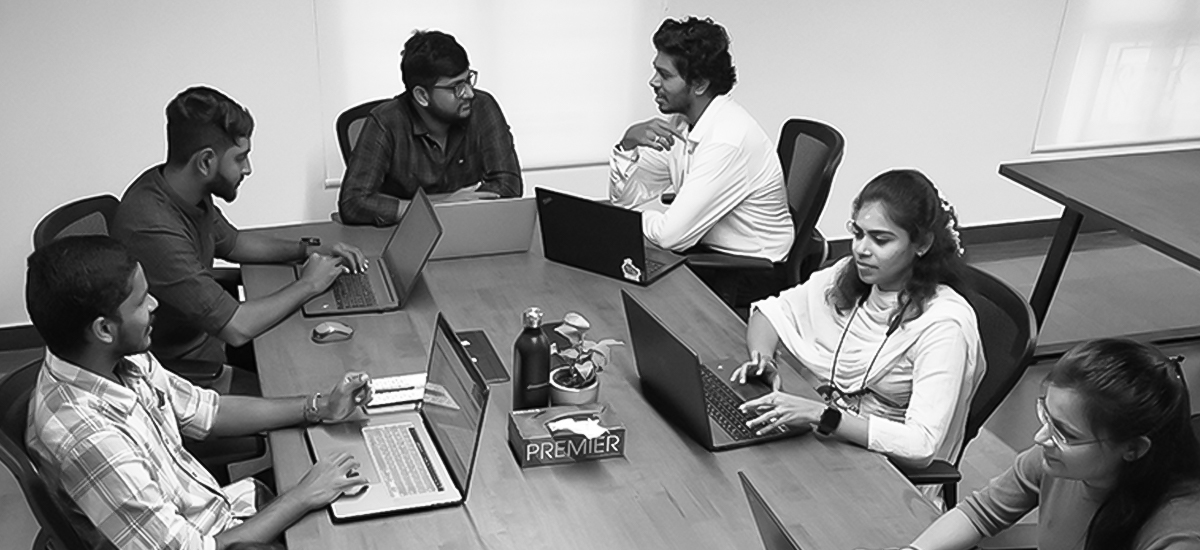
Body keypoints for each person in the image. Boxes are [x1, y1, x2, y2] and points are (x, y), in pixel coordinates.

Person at [24, 235, 374, 550]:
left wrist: (320, 407)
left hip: (219, 513)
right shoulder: (89, 438)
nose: (154, 305)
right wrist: (303, 496)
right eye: (141, 301)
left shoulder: (113, 359)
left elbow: (207, 411)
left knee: (364, 492)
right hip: (214, 541)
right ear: (104, 329)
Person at [731, 169, 985, 502]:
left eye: (880, 240)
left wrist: (821, 415)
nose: (862, 249)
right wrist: (763, 360)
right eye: (858, 233)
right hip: (828, 439)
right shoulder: (849, 276)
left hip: (883, 471)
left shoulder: (943, 326)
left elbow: (921, 445)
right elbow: (770, 312)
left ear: (921, 244)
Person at [111, 86, 366, 367]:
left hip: (210, 338)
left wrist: (308, 249)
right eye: (240, 157)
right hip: (188, 369)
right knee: (319, 368)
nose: (248, 169)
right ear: (206, 161)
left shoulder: (180, 187)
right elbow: (236, 327)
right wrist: (309, 284)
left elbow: (234, 243)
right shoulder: (151, 227)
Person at [889, 339, 1200, 550]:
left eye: (1065, 433)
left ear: (1133, 449)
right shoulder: (1054, 460)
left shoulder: (1177, 533)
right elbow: (980, 512)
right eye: (1045, 415)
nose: (1041, 438)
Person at [609, 16, 793, 305]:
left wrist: (625, 222)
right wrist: (627, 144)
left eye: (665, 75)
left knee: (626, 284)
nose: (653, 82)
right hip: (710, 253)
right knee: (615, 267)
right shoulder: (683, 123)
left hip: (748, 272)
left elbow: (671, 237)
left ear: (699, 84)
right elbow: (627, 198)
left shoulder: (727, 141)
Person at [337, 29, 522, 226]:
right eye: (456, 87)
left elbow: (509, 186)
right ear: (422, 96)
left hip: (467, 228)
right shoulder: (386, 121)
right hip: (406, 234)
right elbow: (353, 203)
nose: (468, 93)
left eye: (468, 79)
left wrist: (449, 207)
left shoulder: (482, 107)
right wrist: (439, 207)